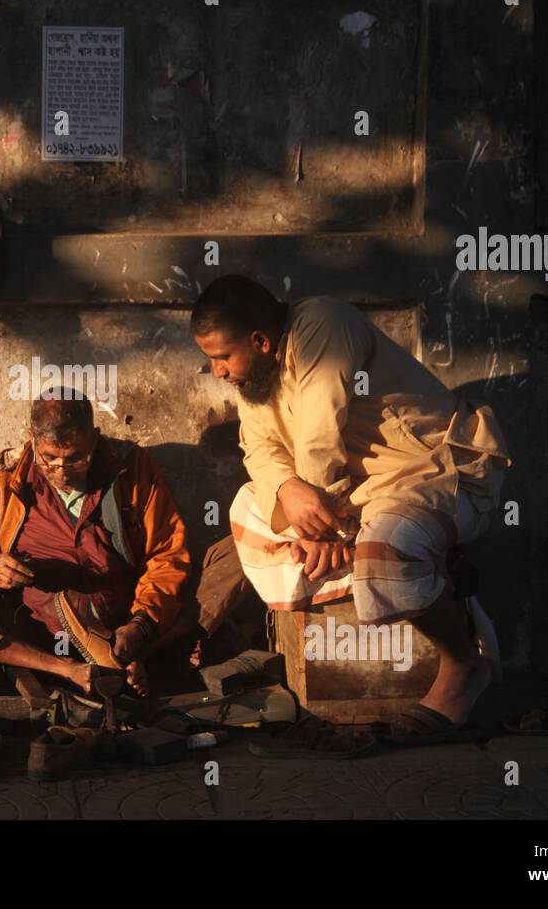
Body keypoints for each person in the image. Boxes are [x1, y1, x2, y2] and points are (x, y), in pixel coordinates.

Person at [191, 275, 512, 741]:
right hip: (354, 497)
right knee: (246, 507)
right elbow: (258, 450)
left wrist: (324, 528)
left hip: (434, 476)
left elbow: (321, 438)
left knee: (384, 551)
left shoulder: (321, 322)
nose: (216, 370)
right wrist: (287, 490)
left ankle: (464, 666)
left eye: (221, 356)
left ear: (260, 340)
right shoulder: (255, 378)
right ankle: (357, 558)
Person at [0, 392, 253, 695]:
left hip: (124, 622)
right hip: (34, 628)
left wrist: (141, 624)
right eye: (49, 459)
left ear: (95, 438)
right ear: (32, 439)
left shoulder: (129, 470)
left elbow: (166, 554)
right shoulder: (4, 478)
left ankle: (127, 659)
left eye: (75, 458)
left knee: (241, 551)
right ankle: (69, 671)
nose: (62, 470)